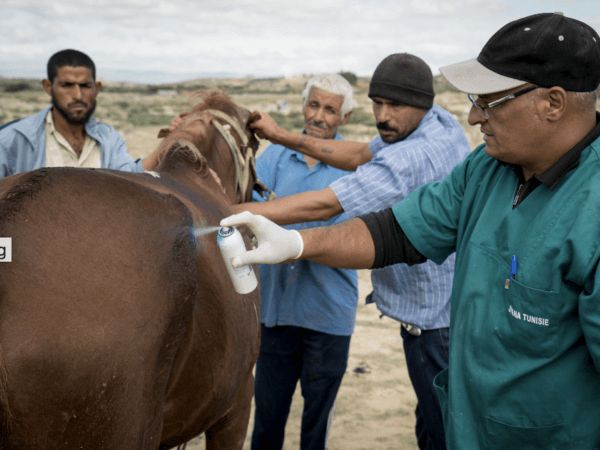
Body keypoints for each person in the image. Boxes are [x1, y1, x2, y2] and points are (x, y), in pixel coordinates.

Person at [222, 12, 600, 450]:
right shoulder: (487, 167)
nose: (474, 116)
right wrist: (299, 242)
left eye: (489, 100)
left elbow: (338, 199)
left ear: (552, 103)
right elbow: (396, 232)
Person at [239, 54, 470, 450]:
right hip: (437, 315)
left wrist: (229, 212)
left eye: (394, 106)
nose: (382, 115)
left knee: (443, 435)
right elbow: (363, 154)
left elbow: (324, 206)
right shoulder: (440, 123)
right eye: (377, 103)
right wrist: (280, 136)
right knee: (432, 427)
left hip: (434, 327)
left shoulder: (410, 158)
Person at [250, 74, 358, 450]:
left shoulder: (355, 164)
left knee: (316, 426)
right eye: (314, 105)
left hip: (329, 315)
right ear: (302, 106)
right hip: (275, 313)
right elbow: (250, 210)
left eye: (331, 109)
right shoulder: (275, 157)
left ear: (344, 118)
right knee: (266, 419)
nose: (319, 116)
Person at [0, 49, 163, 178]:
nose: (78, 95)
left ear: (96, 88)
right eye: (67, 85)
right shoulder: (13, 140)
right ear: (48, 87)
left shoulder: (109, 138)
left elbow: (130, 178)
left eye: (85, 86)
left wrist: (171, 141)